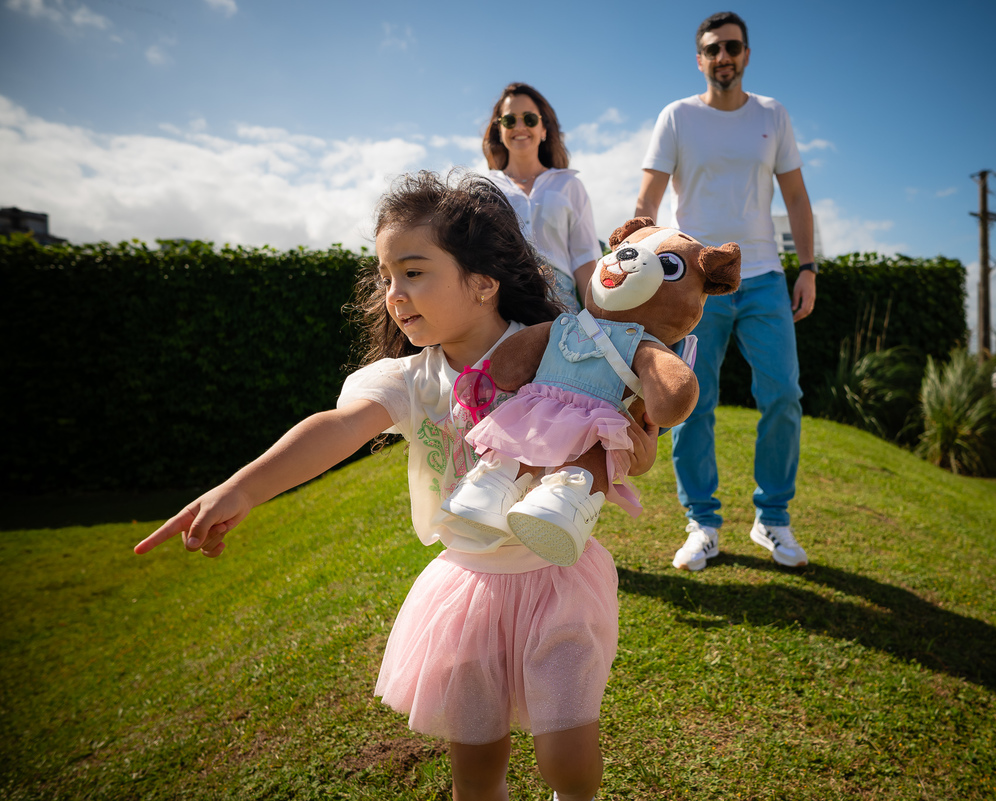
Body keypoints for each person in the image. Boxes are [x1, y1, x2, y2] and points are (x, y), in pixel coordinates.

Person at [134, 171, 658, 801]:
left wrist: (637, 429)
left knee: (566, 756)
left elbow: (625, 430)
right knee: (476, 762)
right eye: (386, 277)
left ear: (485, 282)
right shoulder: (411, 380)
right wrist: (243, 488)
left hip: (559, 581)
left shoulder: (556, 355)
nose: (394, 293)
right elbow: (337, 427)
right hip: (466, 588)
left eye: (413, 271)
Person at [634, 11, 817, 572]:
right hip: (695, 286)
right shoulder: (677, 117)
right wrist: (640, 267)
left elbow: (797, 199)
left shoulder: (772, 116)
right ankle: (703, 524)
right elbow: (647, 204)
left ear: (746, 53)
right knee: (692, 402)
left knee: (783, 394)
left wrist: (807, 267)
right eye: (712, 49)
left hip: (763, 276)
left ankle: (773, 519)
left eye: (732, 47)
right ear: (700, 59)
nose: (723, 56)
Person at [483, 82, 602, 313]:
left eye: (529, 119)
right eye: (509, 120)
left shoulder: (569, 185)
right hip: (501, 313)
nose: (519, 126)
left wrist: (599, 322)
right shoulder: (485, 189)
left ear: (543, 129)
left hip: (562, 311)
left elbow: (585, 261)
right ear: (499, 129)